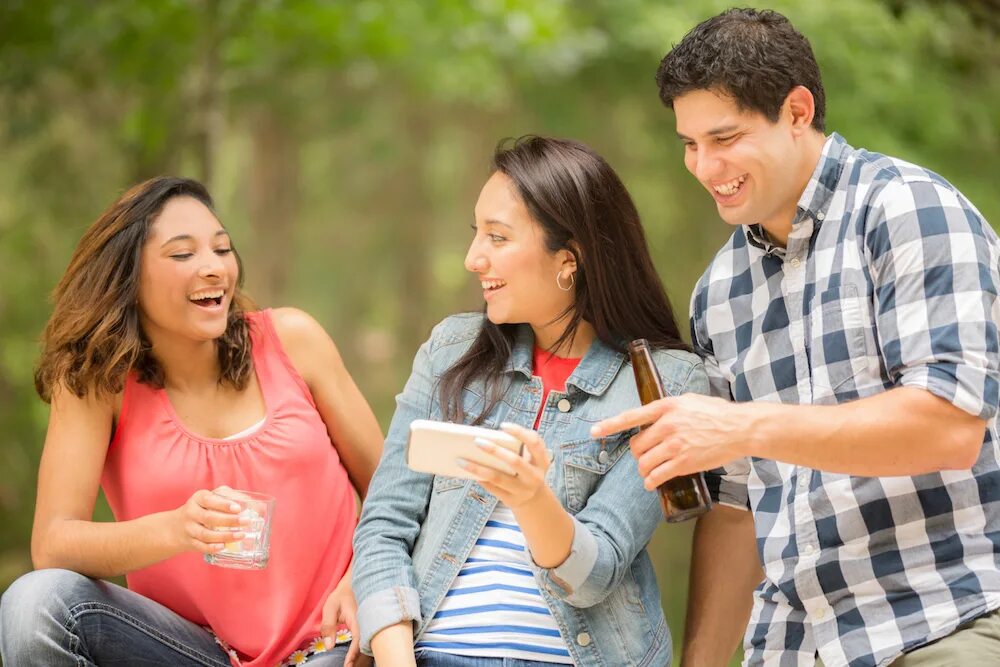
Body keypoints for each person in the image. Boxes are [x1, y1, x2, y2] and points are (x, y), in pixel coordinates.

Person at [591, 8, 1000, 667]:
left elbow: (949, 428)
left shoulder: (908, 211)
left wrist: (743, 426)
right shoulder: (720, 290)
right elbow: (738, 510)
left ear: (798, 111)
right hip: (791, 645)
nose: (704, 165)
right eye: (689, 143)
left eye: (724, 137)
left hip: (945, 620)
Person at [351, 136, 709, 666]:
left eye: (498, 237)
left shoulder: (667, 383)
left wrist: (531, 499)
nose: (474, 258)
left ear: (570, 259)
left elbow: (598, 573)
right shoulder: (449, 350)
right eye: (477, 234)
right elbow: (383, 527)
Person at [0, 177, 383, 667]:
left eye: (222, 249)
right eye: (183, 255)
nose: (213, 268)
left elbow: (391, 494)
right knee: (36, 602)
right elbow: (53, 543)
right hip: (193, 653)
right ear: (128, 277)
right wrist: (179, 529)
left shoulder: (292, 340)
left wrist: (364, 577)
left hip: (333, 644)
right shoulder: (98, 382)